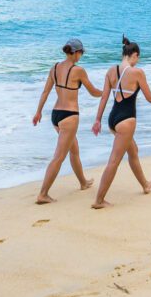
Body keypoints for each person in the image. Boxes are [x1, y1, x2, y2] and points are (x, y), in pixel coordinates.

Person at [90, 35, 151, 209]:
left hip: (112, 118)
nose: (137, 61)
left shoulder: (111, 71)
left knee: (133, 150)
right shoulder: (137, 73)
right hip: (126, 120)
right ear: (133, 54)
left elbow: (104, 97)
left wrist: (97, 120)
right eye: (137, 57)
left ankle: (145, 185)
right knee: (114, 161)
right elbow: (149, 97)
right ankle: (99, 200)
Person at [32, 38, 102, 204]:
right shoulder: (78, 70)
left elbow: (45, 92)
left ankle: (83, 183)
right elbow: (93, 92)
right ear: (76, 52)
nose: (81, 56)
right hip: (70, 116)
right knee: (59, 157)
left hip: (56, 115)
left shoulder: (54, 68)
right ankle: (43, 194)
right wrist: (107, 91)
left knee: (74, 149)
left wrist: (38, 112)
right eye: (81, 53)